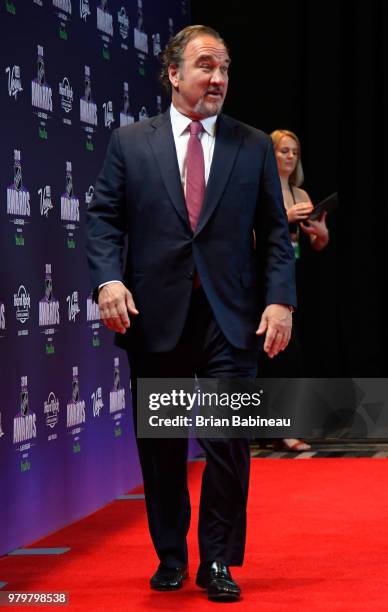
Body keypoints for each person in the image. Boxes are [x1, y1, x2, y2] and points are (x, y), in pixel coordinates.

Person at [85, 25, 296, 602]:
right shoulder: (131, 142)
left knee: (228, 442)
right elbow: (103, 218)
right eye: (206, 65)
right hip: (156, 317)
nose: (219, 78)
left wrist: (280, 299)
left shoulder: (251, 144)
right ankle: (171, 556)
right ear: (173, 74)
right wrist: (108, 279)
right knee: (162, 444)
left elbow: (276, 236)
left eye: (225, 67)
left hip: (233, 318)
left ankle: (221, 561)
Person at [259, 129, 329, 452]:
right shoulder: (262, 191)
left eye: (294, 152)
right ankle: (274, 428)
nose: (289, 157)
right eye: (283, 151)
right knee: (275, 355)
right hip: (265, 279)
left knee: (292, 354)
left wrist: (320, 232)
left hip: (296, 277)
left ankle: (282, 426)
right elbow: (248, 235)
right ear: (270, 154)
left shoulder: (301, 194)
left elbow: (317, 243)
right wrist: (283, 217)